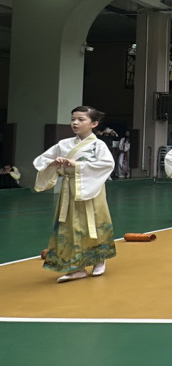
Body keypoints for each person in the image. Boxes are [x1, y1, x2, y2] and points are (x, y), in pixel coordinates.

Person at [33, 106, 116, 283]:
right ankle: (76, 268)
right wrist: (54, 163)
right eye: (73, 119)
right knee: (69, 226)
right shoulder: (63, 144)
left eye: (81, 119)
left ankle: (99, 259)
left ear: (94, 124)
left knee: (93, 222)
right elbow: (42, 160)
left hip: (92, 189)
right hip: (69, 190)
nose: (75, 123)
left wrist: (77, 165)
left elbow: (107, 165)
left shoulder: (98, 145)